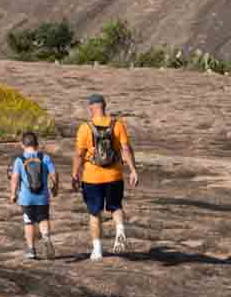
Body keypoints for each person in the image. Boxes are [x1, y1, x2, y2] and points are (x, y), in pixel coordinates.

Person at [70, 92, 137, 259]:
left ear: (92, 107)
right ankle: (120, 231)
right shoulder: (117, 125)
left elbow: (79, 155)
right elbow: (126, 149)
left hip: (92, 178)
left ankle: (97, 250)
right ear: (104, 106)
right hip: (114, 175)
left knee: (94, 213)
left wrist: (75, 174)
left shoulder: (85, 127)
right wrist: (133, 170)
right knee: (116, 206)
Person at [9, 129, 58, 259]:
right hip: (42, 197)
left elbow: (14, 178)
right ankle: (46, 239)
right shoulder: (44, 158)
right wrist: (55, 187)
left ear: (22, 145)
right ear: (37, 144)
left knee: (29, 222)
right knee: (43, 218)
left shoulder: (19, 160)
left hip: (26, 198)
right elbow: (54, 174)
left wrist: (13, 194)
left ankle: (31, 250)